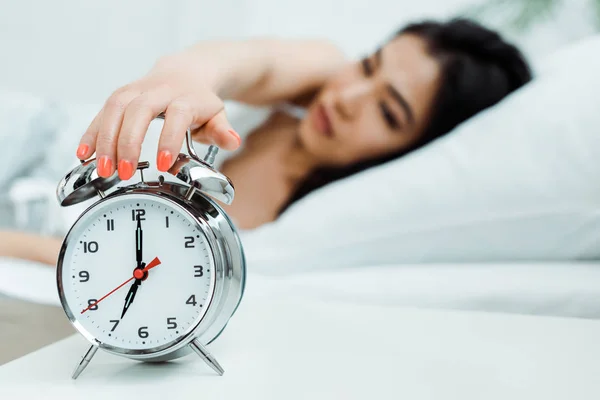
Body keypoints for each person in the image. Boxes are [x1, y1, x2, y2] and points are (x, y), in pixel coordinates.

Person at [0, 18, 532, 265]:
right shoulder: (316, 76)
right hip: (31, 138)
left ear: (414, 149)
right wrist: (185, 78)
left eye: (388, 111)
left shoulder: (314, 226)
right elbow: (241, 60)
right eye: (369, 65)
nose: (350, 95)